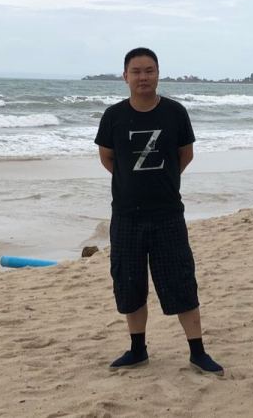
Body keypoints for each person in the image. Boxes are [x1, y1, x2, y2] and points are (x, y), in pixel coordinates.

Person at [94, 47, 223, 375]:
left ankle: (197, 352)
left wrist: (161, 182)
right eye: (136, 71)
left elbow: (185, 154)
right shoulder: (113, 116)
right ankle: (137, 350)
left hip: (167, 213)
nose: (143, 77)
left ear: (158, 74)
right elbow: (107, 157)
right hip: (126, 215)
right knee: (129, 283)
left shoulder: (175, 112)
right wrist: (131, 182)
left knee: (181, 280)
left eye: (149, 70)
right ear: (125, 76)